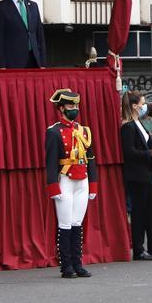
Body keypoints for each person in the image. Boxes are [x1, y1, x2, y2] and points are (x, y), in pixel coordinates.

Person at [44, 88, 98, 278]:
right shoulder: (54, 132)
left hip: (82, 180)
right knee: (65, 224)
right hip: (65, 180)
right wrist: (53, 186)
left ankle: (78, 263)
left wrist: (94, 184)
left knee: (77, 223)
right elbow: (50, 162)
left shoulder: (83, 131)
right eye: (70, 106)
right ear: (61, 108)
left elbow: (90, 158)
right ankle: (66, 266)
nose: (74, 109)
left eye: (75, 105)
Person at [120, 91, 152, 261]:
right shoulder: (127, 126)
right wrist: (150, 153)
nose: (144, 106)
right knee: (139, 212)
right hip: (137, 175)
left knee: (151, 211)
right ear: (134, 106)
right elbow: (129, 152)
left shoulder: (140, 123)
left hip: (148, 173)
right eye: (142, 103)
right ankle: (139, 249)